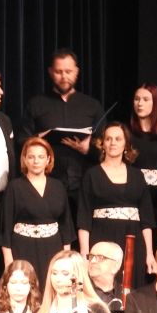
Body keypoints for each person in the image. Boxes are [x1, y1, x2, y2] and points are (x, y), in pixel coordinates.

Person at [77, 122, 156, 288]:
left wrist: (149, 253)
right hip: (102, 237)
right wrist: (85, 253)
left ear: (126, 144)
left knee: (132, 290)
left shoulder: (137, 176)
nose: (113, 142)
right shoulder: (91, 175)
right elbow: (84, 218)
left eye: (118, 139)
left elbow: (147, 220)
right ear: (102, 144)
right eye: (108, 139)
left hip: (133, 240)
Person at [21, 49, 105, 203]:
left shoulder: (92, 105)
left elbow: (106, 146)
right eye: (59, 72)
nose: (64, 76)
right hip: (46, 183)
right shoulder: (36, 104)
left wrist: (88, 149)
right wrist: (39, 138)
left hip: (85, 184)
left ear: (76, 72)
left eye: (68, 71)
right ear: (50, 72)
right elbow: (21, 141)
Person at [0, 136, 74, 282]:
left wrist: (66, 257)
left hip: (53, 248)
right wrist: (8, 260)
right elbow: (5, 228)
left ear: (48, 159)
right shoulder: (14, 187)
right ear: (24, 159)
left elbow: (66, 225)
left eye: (41, 157)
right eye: (31, 157)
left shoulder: (58, 186)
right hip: (23, 248)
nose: (36, 161)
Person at [87, 241, 124, 308]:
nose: (92, 261)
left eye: (100, 257)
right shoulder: (79, 292)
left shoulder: (128, 296)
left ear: (116, 266)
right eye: (91, 256)